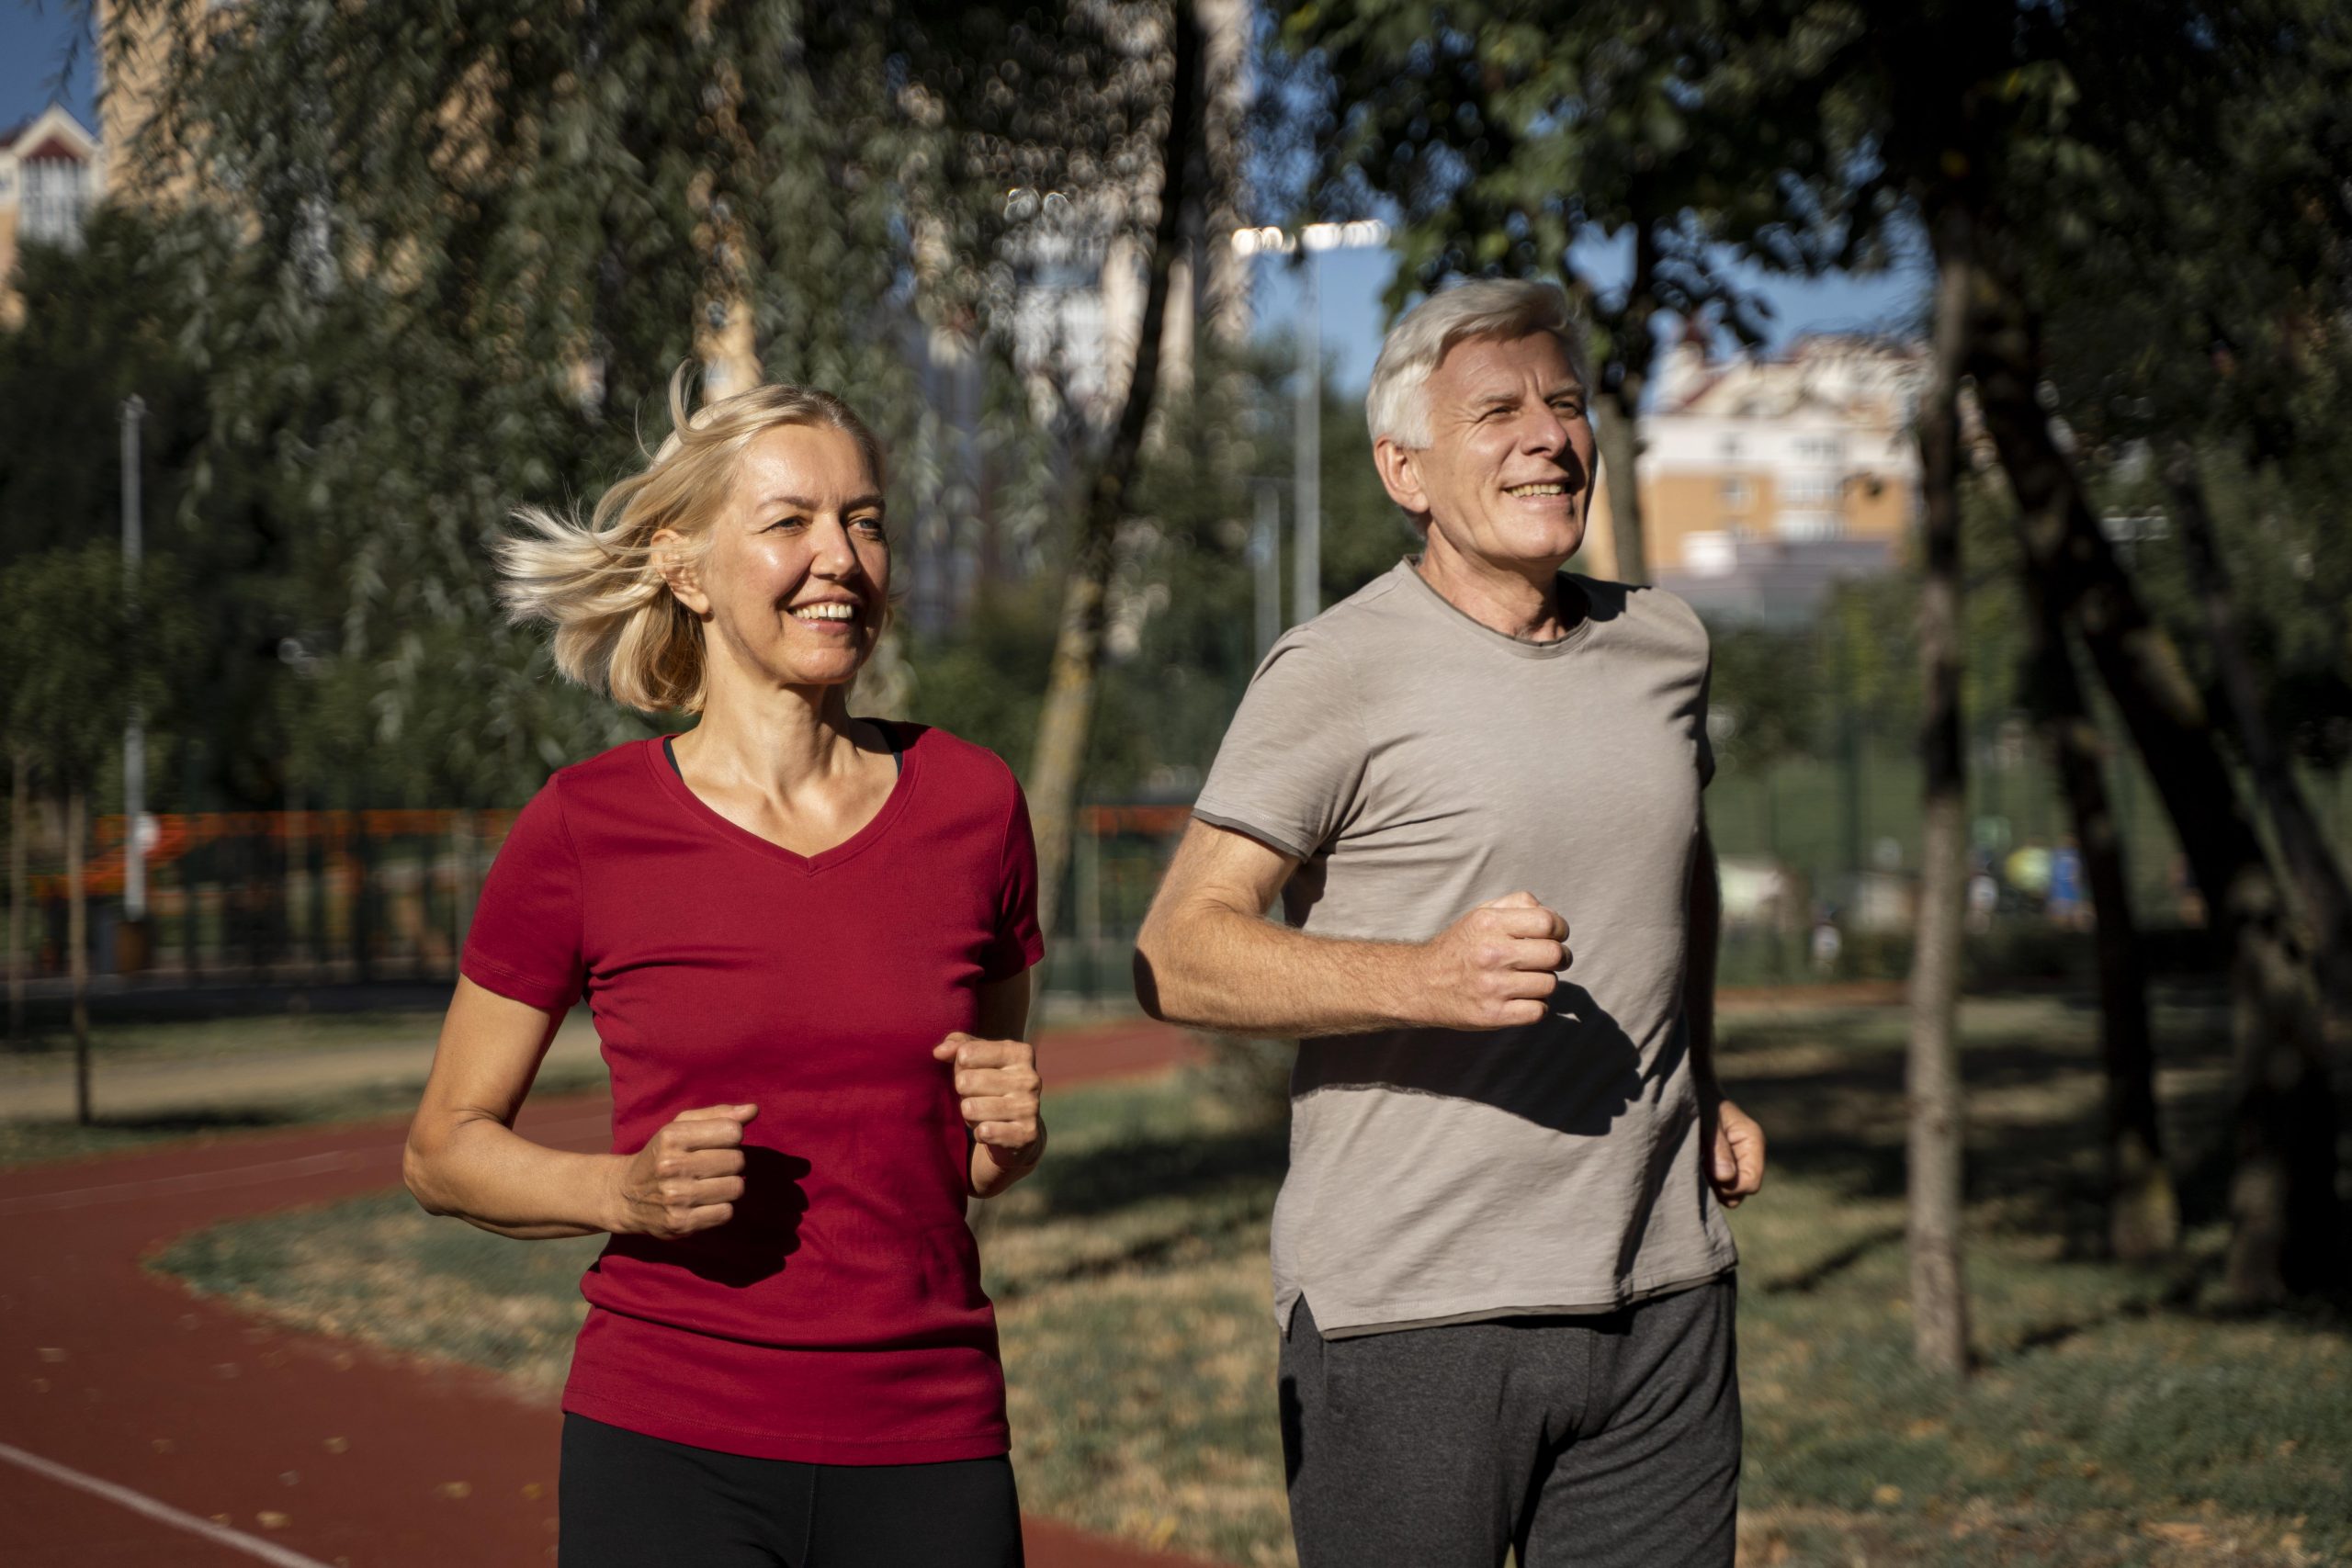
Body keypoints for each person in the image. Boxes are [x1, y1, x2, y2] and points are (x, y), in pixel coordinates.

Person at [1134, 279, 1766, 1568]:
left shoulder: (1665, 643)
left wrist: (1709, 1073)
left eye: (1566, 403)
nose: (1547, 433)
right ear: (1404, 470)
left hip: (1664, 1293)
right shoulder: (1337, 667)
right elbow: (1177, 952)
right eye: (1497, 411)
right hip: (1413, 1308)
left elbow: (1678, 870)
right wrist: (1422, 978)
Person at [403, 373, 1046, 1568]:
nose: (841, 557)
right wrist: (622, 1196)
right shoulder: (584, 829)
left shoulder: (976, 803)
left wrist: (1009, 1144)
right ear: (688, 570)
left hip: (928, 1432)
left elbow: (969, 1145)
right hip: (668, 1442)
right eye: (791, 520)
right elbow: (442, 1148)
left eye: (865, 519)